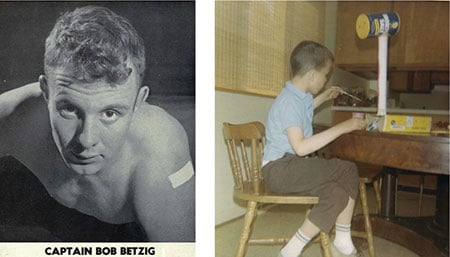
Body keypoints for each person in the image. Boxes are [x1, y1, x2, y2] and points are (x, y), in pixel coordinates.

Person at [0, 6, 194, 242]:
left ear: (138, 102)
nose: (86, 140)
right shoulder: (17, 115)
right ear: (46, 92)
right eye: (69, 109)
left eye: (110, 113)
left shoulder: (160, 152)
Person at [262, 41, 366, 257]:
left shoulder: (297, 97)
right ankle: (343, 241)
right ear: (311, 75)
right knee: (348, 169)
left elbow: (304, 109)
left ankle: (291, 250)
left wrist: (323, 97)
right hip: (281, 169)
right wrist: (343, 127)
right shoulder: (290, 102)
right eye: (325, 75)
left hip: (286, 166)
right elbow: (300, 147)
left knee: (337, 193)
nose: (326, 79)